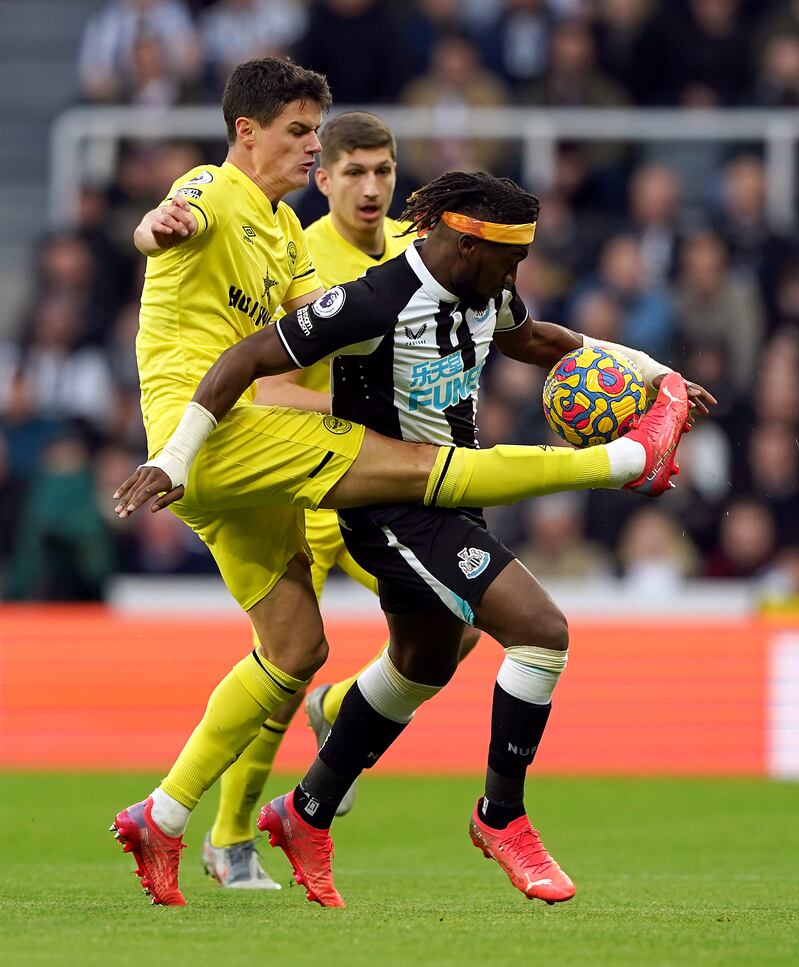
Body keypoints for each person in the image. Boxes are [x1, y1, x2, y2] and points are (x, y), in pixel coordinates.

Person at [111, 156, 707, 908]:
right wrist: (175, 456)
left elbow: (538, 340)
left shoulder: (486, 286)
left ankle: (306, 811)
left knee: (424, 660)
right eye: (511, 255)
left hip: (449, 505)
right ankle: (502, 815)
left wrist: (654, 374)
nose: (519, 269)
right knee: (541, 630)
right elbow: (248, 356)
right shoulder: (377, 299)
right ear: (466, 245)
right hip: (390, 511)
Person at [202, 111, 481, 890]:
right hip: (310, 480)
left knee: (459, 621)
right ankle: (230, 839)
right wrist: (348, 427)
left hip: (383, 485)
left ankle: (347, 708)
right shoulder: (300, 250)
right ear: (320, 178)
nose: (369, 187)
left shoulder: (411, 252)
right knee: (283, 665)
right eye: (352, 172)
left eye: (383, 172)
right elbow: (270, 386)